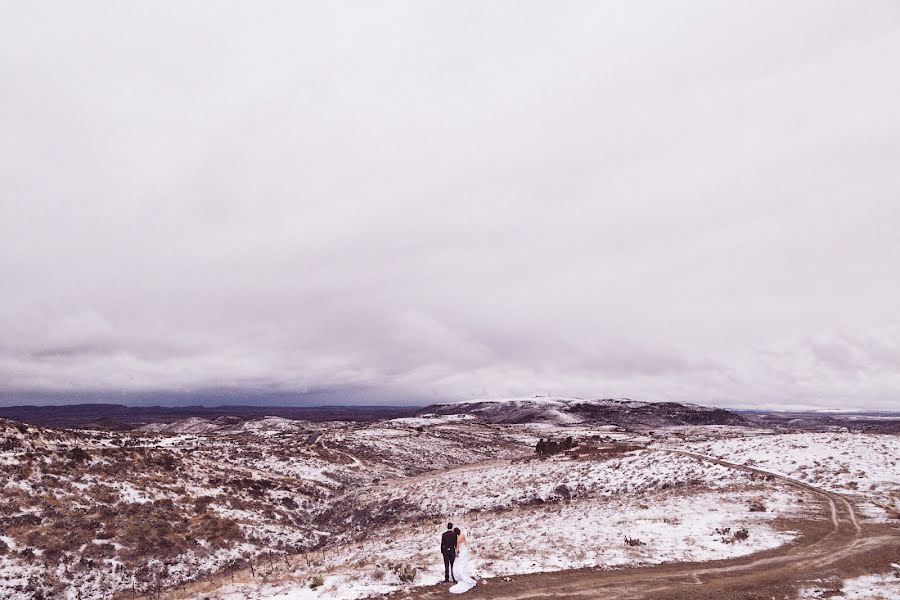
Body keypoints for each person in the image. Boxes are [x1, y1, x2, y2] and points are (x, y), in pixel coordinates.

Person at [449, 526, 476, 593]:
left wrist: (456, 553)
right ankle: (465, 574)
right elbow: (465, 543)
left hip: (461, 552)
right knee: (464, 564)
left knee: (459, 565)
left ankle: (461, 576)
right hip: (465, 551)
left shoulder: (458, 538)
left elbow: (457, 548)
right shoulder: (463, 535)